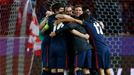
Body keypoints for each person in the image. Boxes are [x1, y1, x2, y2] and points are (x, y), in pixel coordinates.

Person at [50, 5, 92, 75]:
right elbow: (59, 17)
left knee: (79, 68)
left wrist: (84, 36)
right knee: (78, 68)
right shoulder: (71, 19)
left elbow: (71, 28)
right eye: (67, 11)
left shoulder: (84, 18)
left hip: (80, 46)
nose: (69, 13)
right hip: (71, 47)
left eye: (80, 10)